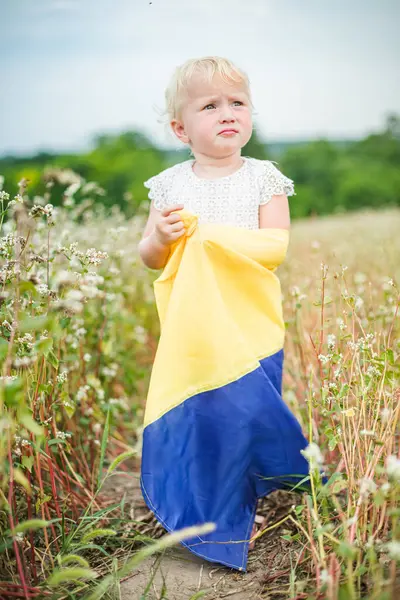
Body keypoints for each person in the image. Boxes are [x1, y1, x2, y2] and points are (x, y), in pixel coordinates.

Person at [138, 56, 315, 571]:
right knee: (203, 413)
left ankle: (243, 502)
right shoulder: (169, 187)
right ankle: (205, 508)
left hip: (250, 323)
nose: (226, 113)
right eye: (209, 105)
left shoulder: (265, 178)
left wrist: (207, 234)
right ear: (180, 127)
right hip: (193, 327)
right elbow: (149, 257)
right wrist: (161, 237)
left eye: (237, 103)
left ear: (251, 114)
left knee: (244, 411)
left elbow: (274, 248)